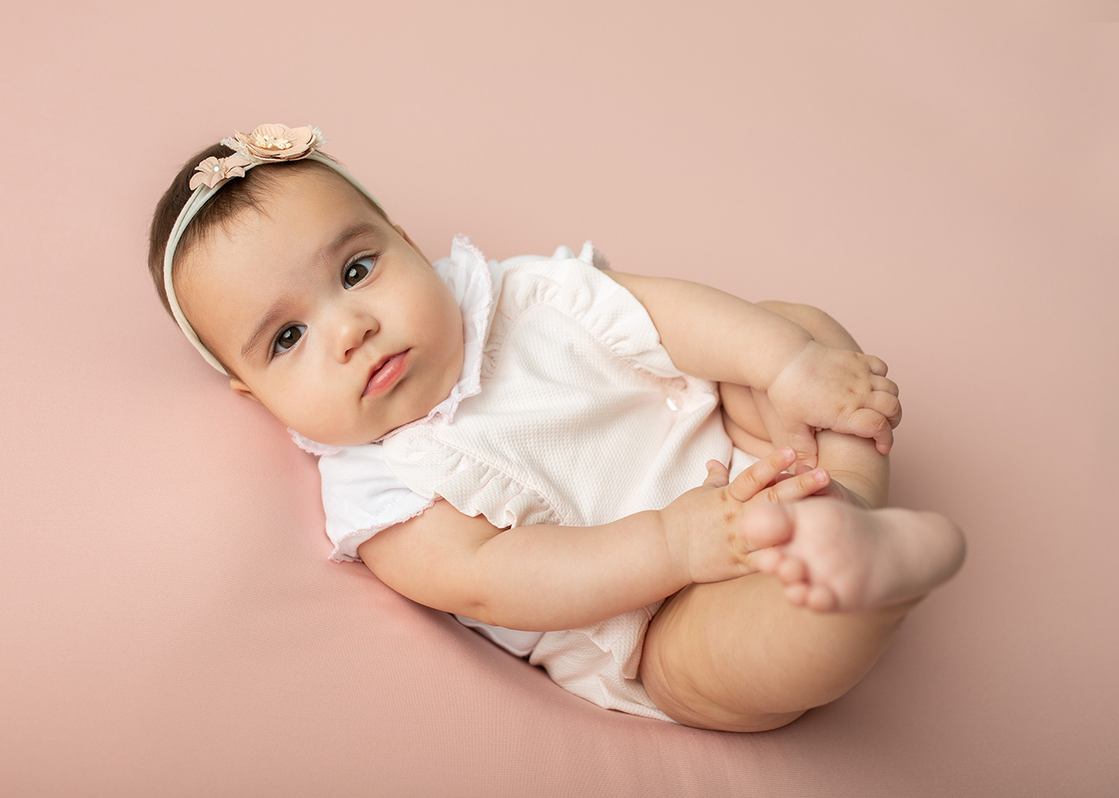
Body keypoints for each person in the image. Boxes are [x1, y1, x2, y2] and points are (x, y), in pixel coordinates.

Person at [147, 123, 966, 731]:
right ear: (252, 393)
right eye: (287, 338)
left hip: (742, 449)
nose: (350, 328)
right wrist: (673, 548)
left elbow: (659, 312)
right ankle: (863, 584)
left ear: (406, 242)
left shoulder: (516, 293)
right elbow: (492, 576)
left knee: (789, 324)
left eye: (357, 270)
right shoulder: (377, 489)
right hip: (659, 616)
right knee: (750, 653)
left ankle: (848, 497)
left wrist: (784, 365)